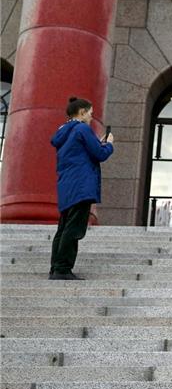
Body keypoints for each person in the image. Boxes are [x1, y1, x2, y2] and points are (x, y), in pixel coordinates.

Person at [49, 97, 114, 280]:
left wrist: (97, 144)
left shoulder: (63, 132)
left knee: (63, 228)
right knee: (74, 229)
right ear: (82, 112)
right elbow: (100, 154)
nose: (91, 117)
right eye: (90, 113)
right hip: (82, 187)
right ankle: (63, 268)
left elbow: (82, 153)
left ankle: (55, 267)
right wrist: (108, 144)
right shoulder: (82, 129)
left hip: (67, 186)